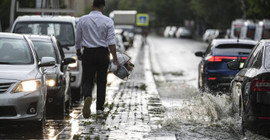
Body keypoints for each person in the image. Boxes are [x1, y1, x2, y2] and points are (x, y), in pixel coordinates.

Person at [75, 0, 119, 119]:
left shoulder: (82, 20)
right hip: (102, 53)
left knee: (87, 80)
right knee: (101, 81)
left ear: (92, 6)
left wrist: (79, 52)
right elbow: (111, 42)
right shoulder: (108, 21)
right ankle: (99, 110)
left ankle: (87, 97)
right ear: (103, 7)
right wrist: (115, 58)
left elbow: (78, 39)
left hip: (88, 53)